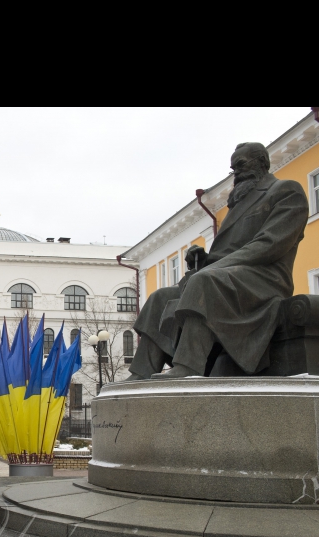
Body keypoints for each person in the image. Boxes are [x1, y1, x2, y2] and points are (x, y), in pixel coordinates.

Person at [126, 142, 310, 381]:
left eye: (241, 165)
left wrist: (212, 268)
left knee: (205, 281)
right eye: (233, 169)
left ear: (262, 163)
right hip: (227, 276)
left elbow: (269, 245)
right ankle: (141, 373)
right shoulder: (238, 202)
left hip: (264, 279)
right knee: (159, 297)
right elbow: (228, 252)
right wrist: (204, 259)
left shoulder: (286, 191)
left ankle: (188, 366)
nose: (237, 173)